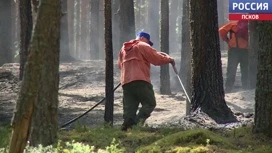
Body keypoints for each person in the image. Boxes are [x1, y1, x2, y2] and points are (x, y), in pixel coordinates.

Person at [117, 31, 175, 131]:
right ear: (143, 38)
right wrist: (169, 59)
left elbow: (119, 65)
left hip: (126, 82)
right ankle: (137, 125)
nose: (149, 44)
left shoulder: (123, 49)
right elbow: (156, 59)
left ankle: (126, 128)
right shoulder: (143, 45)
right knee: (150, 103)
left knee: (129, 107)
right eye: (148, 42)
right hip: (141, 80)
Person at [219, 20, 249, 93]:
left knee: (231, 71)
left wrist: (226, 40)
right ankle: (246, 87)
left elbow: (221, 30)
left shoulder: (233, 24)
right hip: (245, 51)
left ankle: (228, 89)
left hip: (233, 50)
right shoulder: (250, 24)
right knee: (245, 71)